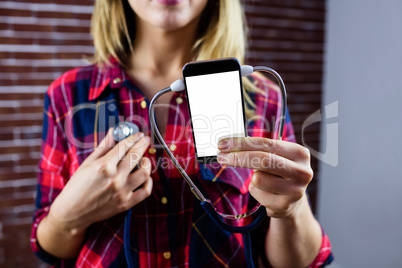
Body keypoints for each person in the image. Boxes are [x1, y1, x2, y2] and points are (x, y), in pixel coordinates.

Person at [31, 0, 333, 267]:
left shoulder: (263, 98)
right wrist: (66, 217)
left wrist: (291, 208)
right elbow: (49, 248)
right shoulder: (68, 95)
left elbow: (297, 262)